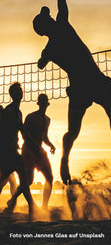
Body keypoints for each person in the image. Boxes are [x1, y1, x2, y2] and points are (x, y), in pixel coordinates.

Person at [32, 0, 111, 185]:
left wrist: (44, 57)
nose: (50, 14)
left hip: (80, 87)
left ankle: (65, 159)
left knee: (74, 132)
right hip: (93, 80)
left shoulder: (50, 47)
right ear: (47, 23)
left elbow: (40, 65)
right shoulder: (61, 23)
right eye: (47, 16)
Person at [6, 94, 56, 211]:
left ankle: (45, 206)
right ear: (38, 103)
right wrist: (31, 147)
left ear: (47, 104)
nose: (43, 104)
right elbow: (25, 135)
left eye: (45, 102)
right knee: (28, 181)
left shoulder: (47, 119)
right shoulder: (31, 117)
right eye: (41, 102)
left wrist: (51, 145)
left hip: (39, 150)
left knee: (49, 178)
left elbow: (44, 137)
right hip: (28, 149)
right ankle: (13, 199)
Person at [0, 82, 37, 213]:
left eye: (20, 91)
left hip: (11, 150)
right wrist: (10, 144)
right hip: (7, 151)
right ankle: (32, 206)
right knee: (22, 177)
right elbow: (3, 130)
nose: (20, 94)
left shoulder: (18, 112)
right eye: (17, 92)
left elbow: (23, 131)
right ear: (12, 94)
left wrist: (34, 146)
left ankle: (22, 205)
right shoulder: (9, 111)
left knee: (7, 179)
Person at [0, 105, 17, 196]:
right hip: (4, 154)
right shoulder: (4, 126)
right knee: (7, 178)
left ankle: (13, 202)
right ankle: (13, 202)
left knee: (11, 179)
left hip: (7, 153)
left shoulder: (5, 125)